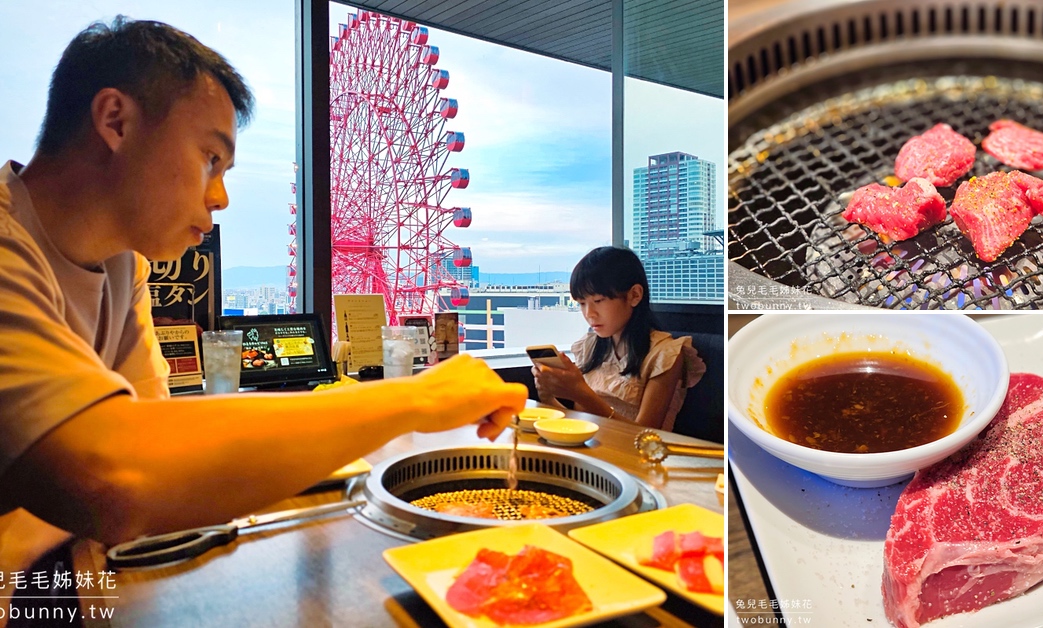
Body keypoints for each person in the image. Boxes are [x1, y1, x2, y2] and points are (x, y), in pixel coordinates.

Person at [0, 16, 526, 584]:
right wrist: (413, 400)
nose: (220, 197)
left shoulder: (122, 264)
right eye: (210, 159)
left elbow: (154, 445)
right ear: (116, 121)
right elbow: (116, 477)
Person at [532, 247, 705, 431]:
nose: (589, 314)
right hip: (592, 451)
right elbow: (578, 426)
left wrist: (582, 395)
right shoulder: (590, 347)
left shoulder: (665, 354)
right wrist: (548, 397)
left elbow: (644, 436)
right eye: (582, 304)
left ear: (634, 295)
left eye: (598, 301)